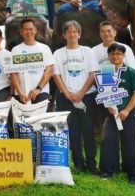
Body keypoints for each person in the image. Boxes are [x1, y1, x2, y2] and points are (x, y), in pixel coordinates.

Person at [52, 21, 99, 175]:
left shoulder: (88, 52)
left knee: (88, 131)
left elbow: (93, 74)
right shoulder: (58, 53)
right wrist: (66, 93)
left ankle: (91, 163)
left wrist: (81, 93)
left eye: (75, 32)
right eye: (69, 32)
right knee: (73, 132)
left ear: (79, 34)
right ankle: (78, 163)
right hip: (67, 98)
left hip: (86, 96)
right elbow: (56, 75)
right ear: (64, 35)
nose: (72, 34)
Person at [99, 44, 135, 184]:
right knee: (108, 141)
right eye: (112, 54)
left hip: (128, 113)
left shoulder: (131, 72)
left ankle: (132, 173)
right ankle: (108, 170)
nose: (115, 56)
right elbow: (105, 93)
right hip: (112, 114)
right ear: (108, 56)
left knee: (130, 142)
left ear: (124, 56)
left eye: (118, 54)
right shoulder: (106, 71)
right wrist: (109, 107)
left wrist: (127, 110)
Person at [10, 18, 55, 104]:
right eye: (25, 29)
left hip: (41, 93)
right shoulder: (15, 50)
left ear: (35, 30)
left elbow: (49, 71)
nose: (28, 32)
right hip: (22, 95)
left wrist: (38, 89)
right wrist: (20, 93)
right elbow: (13, 73)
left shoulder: (44, 48)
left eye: (31, 29)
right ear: (21, 32)